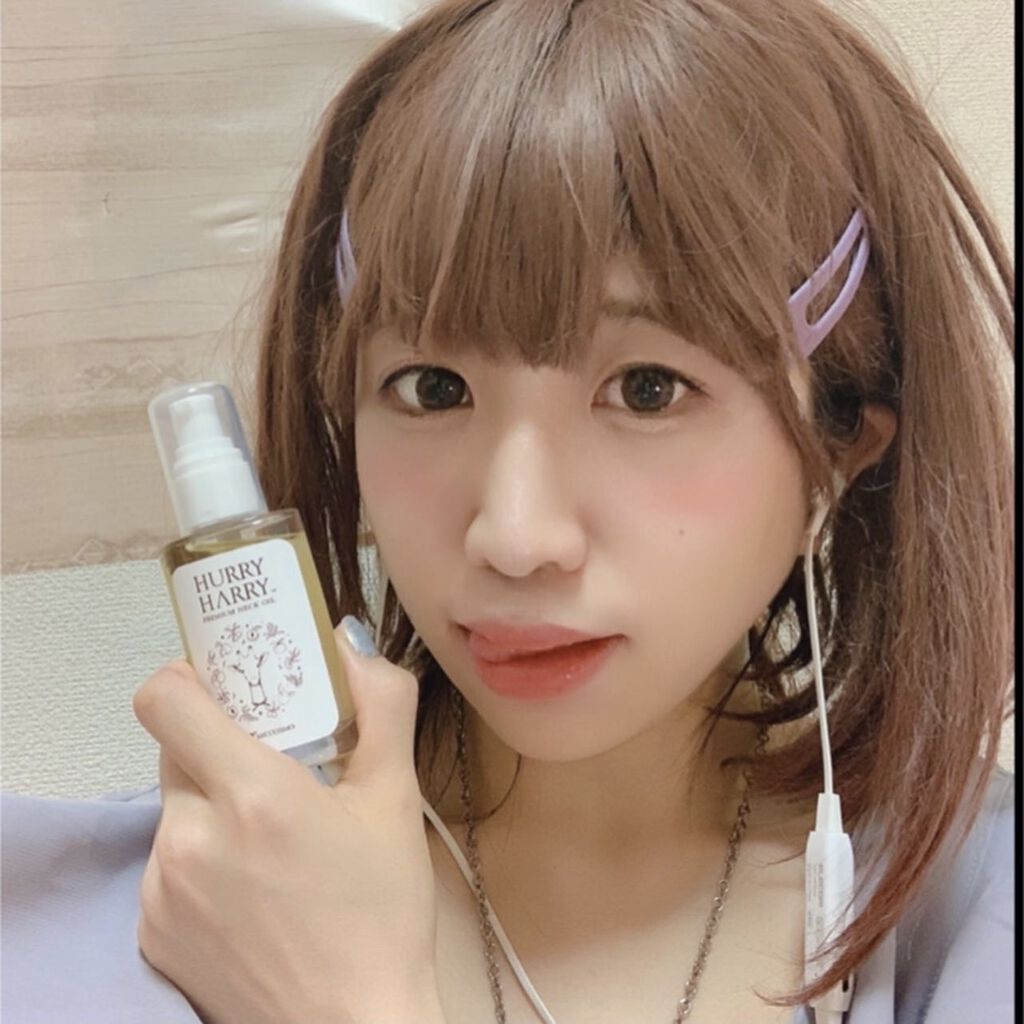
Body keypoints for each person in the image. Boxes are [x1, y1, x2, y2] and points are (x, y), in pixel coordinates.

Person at [2, 0, 1014, 1022]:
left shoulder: (976, 918)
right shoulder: (104, 934)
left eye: (648, 390)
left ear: (841, 443)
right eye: (432, 387)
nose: (515, 538)